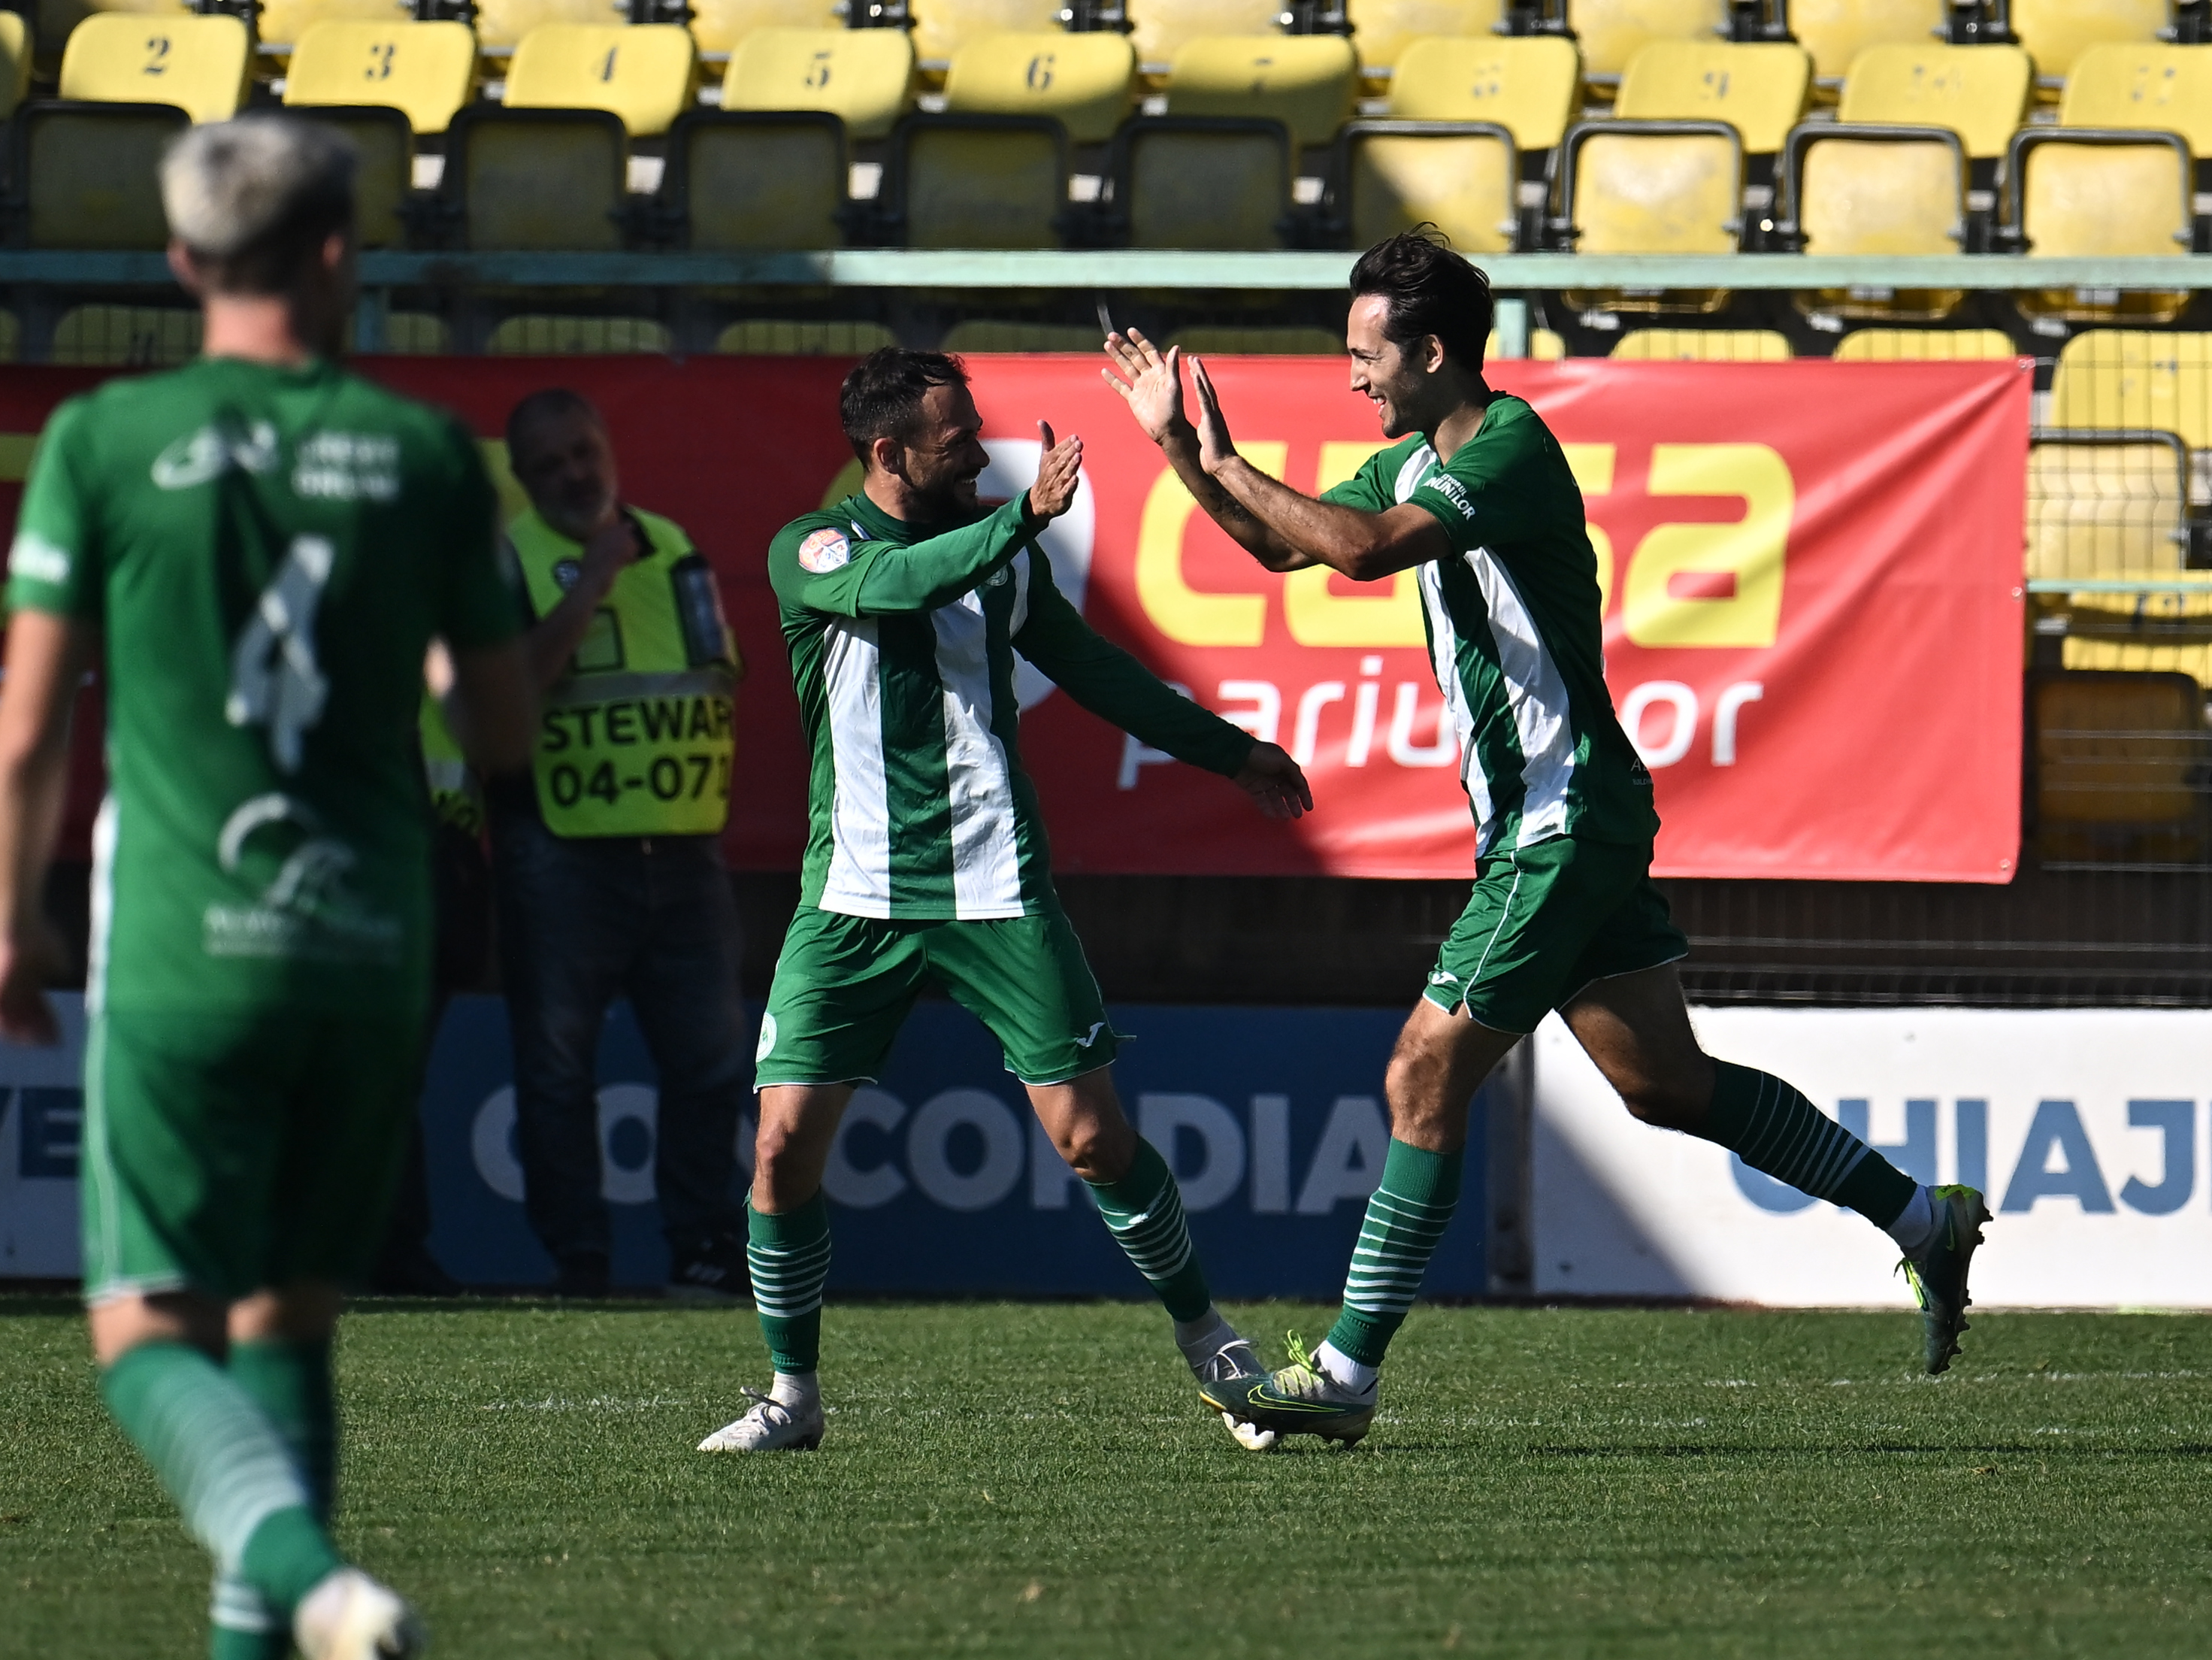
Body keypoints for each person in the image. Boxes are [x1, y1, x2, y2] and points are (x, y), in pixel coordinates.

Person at [1103, 231, 1990, 1448]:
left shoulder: (1510, 448)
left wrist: (1221, 454)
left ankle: (1346, 1374)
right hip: (1562, 817)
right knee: (1660, 1081)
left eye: (1365, 356)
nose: (1350, 378)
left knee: (1422, 1070)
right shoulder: (1416, 455)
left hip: (1557, 820)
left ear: (1428, 352)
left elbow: (1358, 551)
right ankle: (1917, 1219)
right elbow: (1279, 542)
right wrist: (1176, 449)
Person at [0, 117, 534, 1658]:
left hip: (183, 942)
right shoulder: (428, 454)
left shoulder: (105, 442)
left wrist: (14, 911)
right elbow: (502, 733)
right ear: (337, 255)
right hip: (368, 941)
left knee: (143, 1329)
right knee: (291, 1326)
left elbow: (29, 717)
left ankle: (311, 1585)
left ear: (177, 263)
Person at [698, 348, 1314, 1454]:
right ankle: (792, 1398)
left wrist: (1230, 753)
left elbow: (1097, 670)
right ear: (887, 454)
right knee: (782, 1152)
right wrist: (1024, 518)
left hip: (994, 886)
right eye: (955, 438)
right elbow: (900, 586)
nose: (979, 451)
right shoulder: (819, 547)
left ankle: (1209, 1342)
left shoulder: (1003, 555)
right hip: (852, 899)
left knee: (1090, 1141)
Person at [489, 389, 752, 1301]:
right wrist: (595, 574)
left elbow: (715, 673)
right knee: (558, 1071)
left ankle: (703, 1248)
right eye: (550, 462)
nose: (573, 473)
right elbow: (509, 692)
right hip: (560, 855)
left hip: (682, 852)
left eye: (583, 451)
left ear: (609, 449)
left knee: (714, 1064)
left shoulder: (673, 546)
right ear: (521, 478)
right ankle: (581, 1261)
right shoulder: (511, 559)